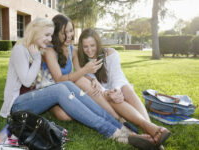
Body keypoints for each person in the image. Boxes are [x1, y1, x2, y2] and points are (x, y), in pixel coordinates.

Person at [0, 17, 138, 145]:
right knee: (61, 88)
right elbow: (28, 82)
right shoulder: (20, 49)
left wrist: (90, 78)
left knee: (66, 85)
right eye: (47, 35)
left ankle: (117, 125)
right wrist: (36, 58)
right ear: (35, 32)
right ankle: (111, 131)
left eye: (50, 35)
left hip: (36, 98)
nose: (49, 39)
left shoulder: (38, 49)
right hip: (16, 105)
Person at [43, 15, 171, 149]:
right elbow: (63, 78)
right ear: (56, 33)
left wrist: (94, 80)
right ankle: (124, 121)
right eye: (64, 32)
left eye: (71, 30)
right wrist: (90, 75)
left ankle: (147, 128)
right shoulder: (51, 50)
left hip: (73, 88)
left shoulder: (73, 50)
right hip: (53, 90)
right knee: (64, 115)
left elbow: (84, 73)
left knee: (121, 88)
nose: (69, 35)